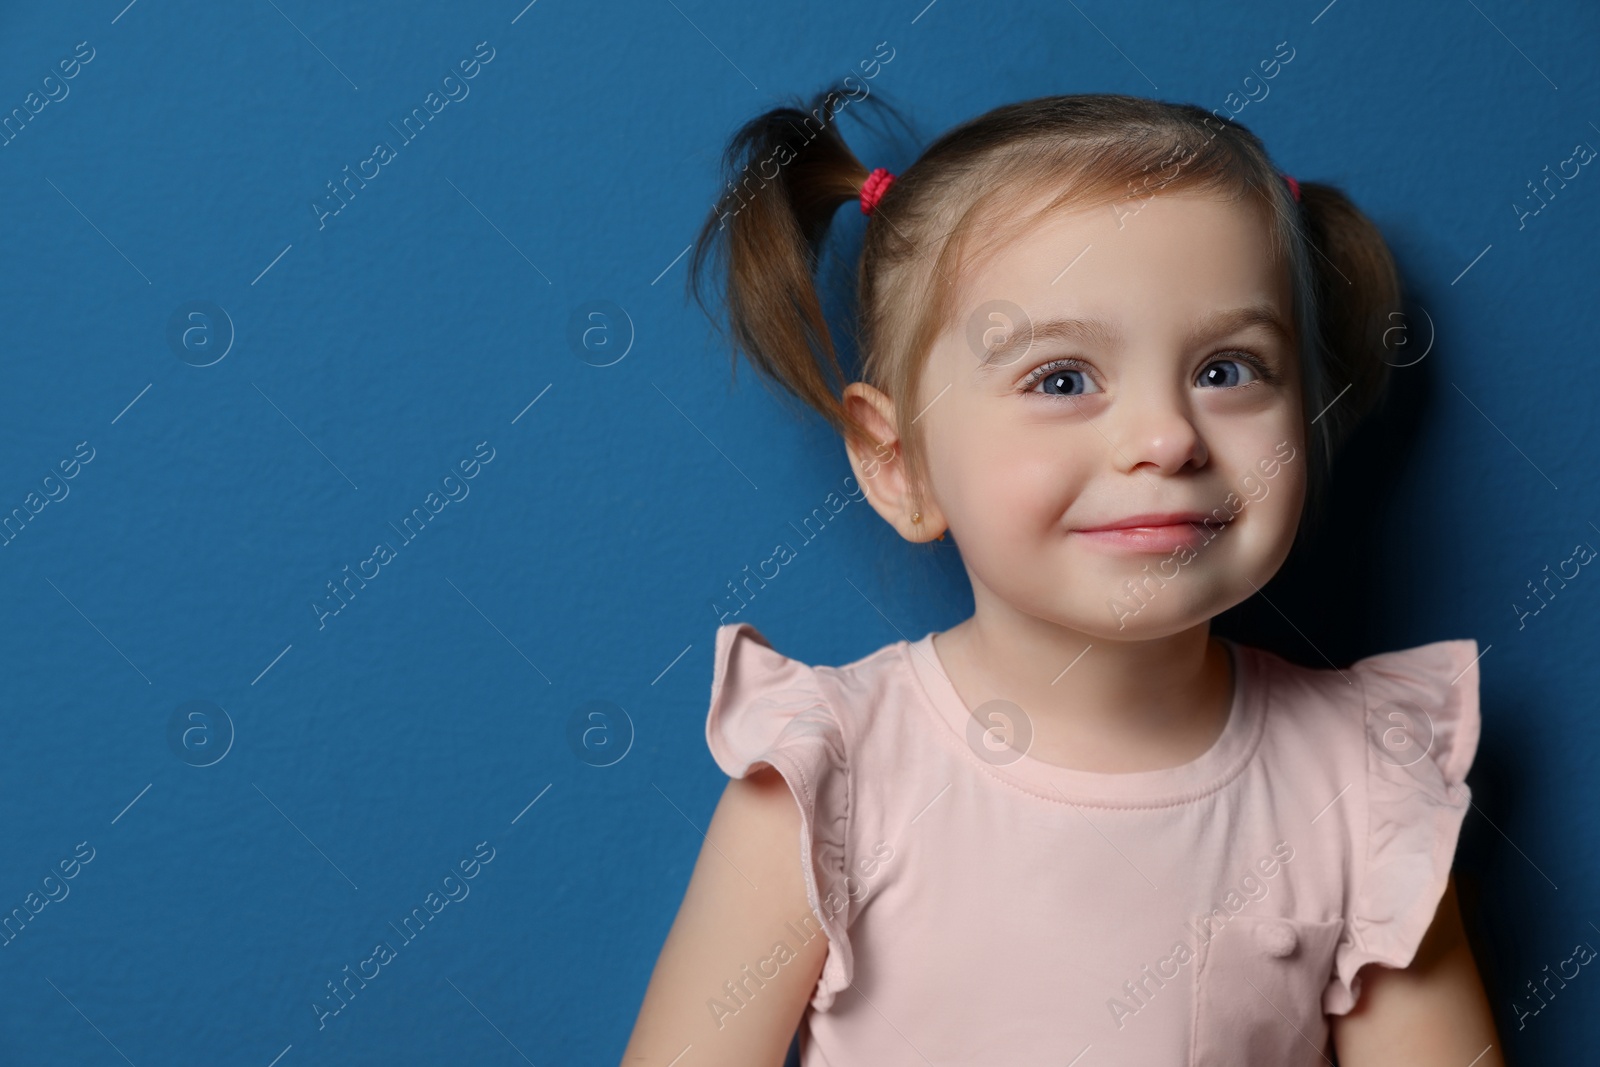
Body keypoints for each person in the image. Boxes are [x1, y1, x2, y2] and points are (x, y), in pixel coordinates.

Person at [620, 88, 1502, 1066]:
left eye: (1226, 369)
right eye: (1061, 379)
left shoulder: (1362, 786)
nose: (1165, 437)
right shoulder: (830, 783)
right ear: (898, 460)